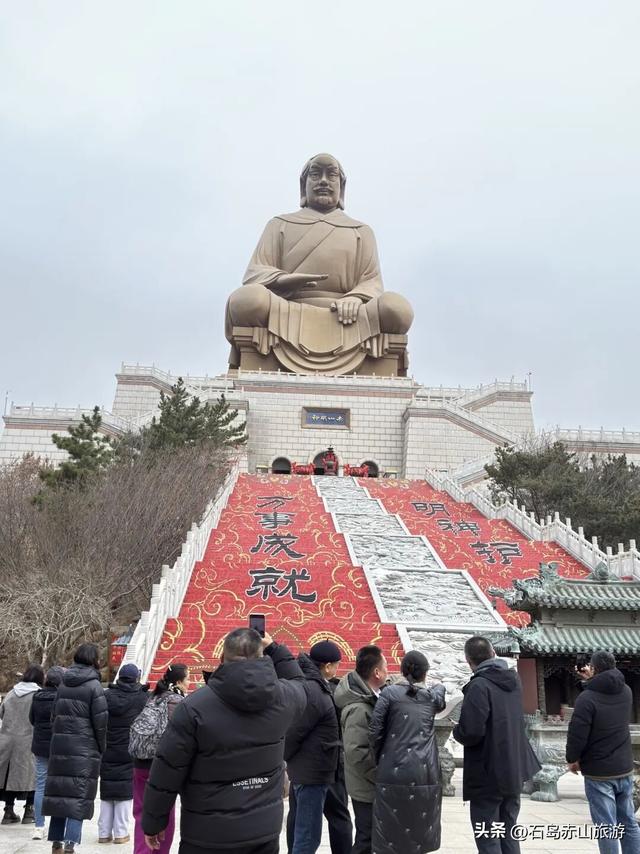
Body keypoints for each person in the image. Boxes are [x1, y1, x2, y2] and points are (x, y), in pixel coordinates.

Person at [225, 153, 414, 375]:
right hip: (285, 310)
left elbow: (371, 281)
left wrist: (356, 297)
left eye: (331, 175)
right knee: (245, 299)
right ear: (303, 185)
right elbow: (255, 274)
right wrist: (284, 280)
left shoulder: (360, 231)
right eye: (315, 174)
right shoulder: (279, 225)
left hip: (349, 316)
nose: (323, 181)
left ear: (341, 187)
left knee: (397, 307)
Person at [142, 629, 306, 854]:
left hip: (207, 835)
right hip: (262, 832)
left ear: (221, 659)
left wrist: (153, 822)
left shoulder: (193, 707)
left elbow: (167, 770)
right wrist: (276, 649)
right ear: (263, 657)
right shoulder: (284, 699)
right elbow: (299, 682)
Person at [453, 636, 540, 854]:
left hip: (489, 772)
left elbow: (471, 731)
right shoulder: (513, 680)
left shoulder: (479, 686)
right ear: (493, 653)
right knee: (508, 829)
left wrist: (456, 729)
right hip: (514, 769)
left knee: (489, 834)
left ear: (468, 660)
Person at [369, 650, 446, 853]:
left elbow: (375, 730)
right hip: (425, 772)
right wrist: (437, 685)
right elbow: (440, 694)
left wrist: (379, 758)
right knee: (419, 831)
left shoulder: (389, 693)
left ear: (402, 671)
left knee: (390, 835)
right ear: (425, 673)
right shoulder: (431, 698)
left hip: (392, 767)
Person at [566, 650, 640, 854]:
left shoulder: (586, 699)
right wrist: (592, 680)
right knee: (629, 823)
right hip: (624, 767)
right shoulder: (626, 690)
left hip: (599, 772)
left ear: (594, 668)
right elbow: (604, 691)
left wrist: (572, 759)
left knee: (606, 827)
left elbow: (577, 735)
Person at [43, 643, 108, 853]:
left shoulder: (62, 684)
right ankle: (71, 844)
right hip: (84, 750)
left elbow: (54, 717)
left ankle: (56, 843)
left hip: (60, 746)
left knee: (59, 796)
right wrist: (101, 747)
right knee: (77, 799)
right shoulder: (94, 686)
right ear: (94, 659)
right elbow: (100, 722)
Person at [285, 640, 346, 854]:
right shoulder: (314, 688)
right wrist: (286, 757)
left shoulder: (312, 684)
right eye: (337, 665)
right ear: (328, 666)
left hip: (308, 770)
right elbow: (296, 731)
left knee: (306, 833)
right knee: (308, 837)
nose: (337, 669)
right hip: (310, 774)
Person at [334, 645, 388, 854]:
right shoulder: (358, 708)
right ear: (376, 672)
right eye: (384, 668)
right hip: (366, 786)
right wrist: (380, 775)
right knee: (366, 839)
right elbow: (358, 752)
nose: (387, 672)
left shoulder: (368, 696)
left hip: (368, 782)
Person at [131, 663, 189, 854]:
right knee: (164, 815)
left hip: (140, 763)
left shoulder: (152, 697)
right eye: (187, 679)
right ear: (179, 682)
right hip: (160, 766)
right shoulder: (178, 703)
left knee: (141, 813)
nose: (189, 683)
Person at [98, 663, 148, 844]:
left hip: (108, 746)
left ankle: (103, 832)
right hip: (130, 748)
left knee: (106, 787)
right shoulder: (142, 697)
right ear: (136, 678)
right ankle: (120, 832)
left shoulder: (107, 695)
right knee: (125, 790)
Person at [0, 664, 44, 826]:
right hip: (28, 740)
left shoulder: (11, 693)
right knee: (31, 776)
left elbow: (1, 714)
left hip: (6, 741)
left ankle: (8, 811)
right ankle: (29, 810)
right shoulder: (37, 695)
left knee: (8, 777)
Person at [30, 666, 66, 840]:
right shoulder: (61, 698)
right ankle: (57, 824)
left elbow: (32, 719)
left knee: (41, 785)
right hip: (58, 746)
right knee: (59, 785)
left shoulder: (37, 696)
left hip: (39, 746)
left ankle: (38, 826)